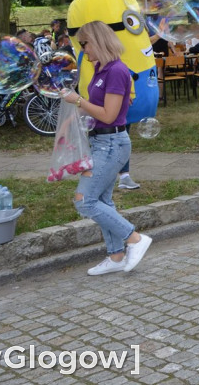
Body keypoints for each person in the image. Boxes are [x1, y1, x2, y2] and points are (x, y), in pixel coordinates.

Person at [60, 21, 152, 275]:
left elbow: (109, 115)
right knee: (102, 199)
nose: (83, 51)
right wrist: (75, 113)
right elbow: (96, 108)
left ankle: (135, 239)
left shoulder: (116, 71)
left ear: (98, 41)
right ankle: (115, 257)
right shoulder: (101, 69)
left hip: (112, 144)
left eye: (85, 44)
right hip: (100, 141)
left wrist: (78, 100)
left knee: (84, 201)